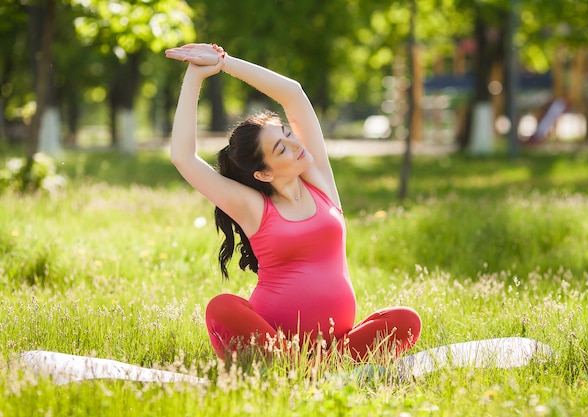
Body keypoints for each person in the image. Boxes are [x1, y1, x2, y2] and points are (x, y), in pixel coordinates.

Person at [165, 43, 421, 362]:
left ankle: (319, 368)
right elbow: (183, 158)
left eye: (287, 133)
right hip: (272, 344)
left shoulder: (320, 183)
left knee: (405, 320)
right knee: (222, 307)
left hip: (338, 345)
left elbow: (293, 94)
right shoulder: (253, 206)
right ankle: (298, 367)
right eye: (281, 149)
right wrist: (195, 76)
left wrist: (223, 62)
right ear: (263, 174)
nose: (294, 143)